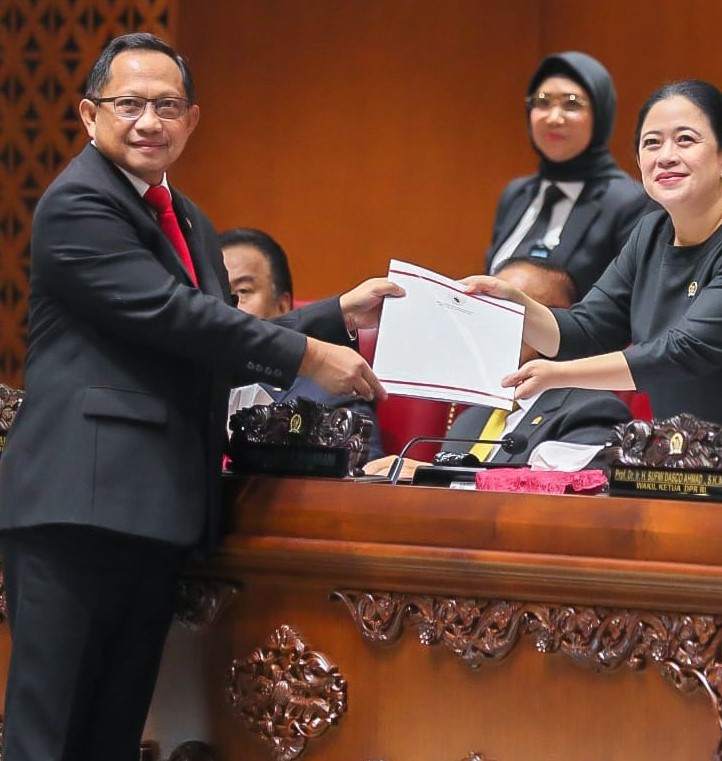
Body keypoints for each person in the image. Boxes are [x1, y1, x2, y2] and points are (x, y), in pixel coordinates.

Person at [0, 33, 401, 761]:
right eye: (130, 104)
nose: (149, 120)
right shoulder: (79, 204)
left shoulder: (183, 217)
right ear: (90, 115)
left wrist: (335, 311)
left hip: (152, 509)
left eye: (167, 105)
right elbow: (172, 316)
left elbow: (217, 332)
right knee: (48, 737)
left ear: (191, 121)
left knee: (108, 735)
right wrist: (311, 352)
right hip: (76, 506)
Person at [465, 80, 722, 490]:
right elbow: (585, 330)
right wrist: (516, 304)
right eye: (652, 143)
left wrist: (558, 375)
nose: (666, 157)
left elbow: (682, 352)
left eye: (686, 140)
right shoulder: (650, 235)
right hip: (710, 477)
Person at [363, 259, 631, 476]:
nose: (495, 325)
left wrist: (436, 476)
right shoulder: (471, 419)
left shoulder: (592, 409)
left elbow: (570, 492)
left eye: (511, 310)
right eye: (489, 310)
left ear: (556, 320)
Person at [485, 51, 649, 299]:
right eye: (542, 102)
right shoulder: (516, 193)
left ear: (600, 114)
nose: (553, 118)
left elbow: (632, 307)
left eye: (571, 103)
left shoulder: (630, 201)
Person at [221, 227, 384, 460]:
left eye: (242, 291)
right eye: (218, 294)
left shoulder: (331, 392)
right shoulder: (181, 389)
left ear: (283, 305)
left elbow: (365, 480)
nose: (227, 309)